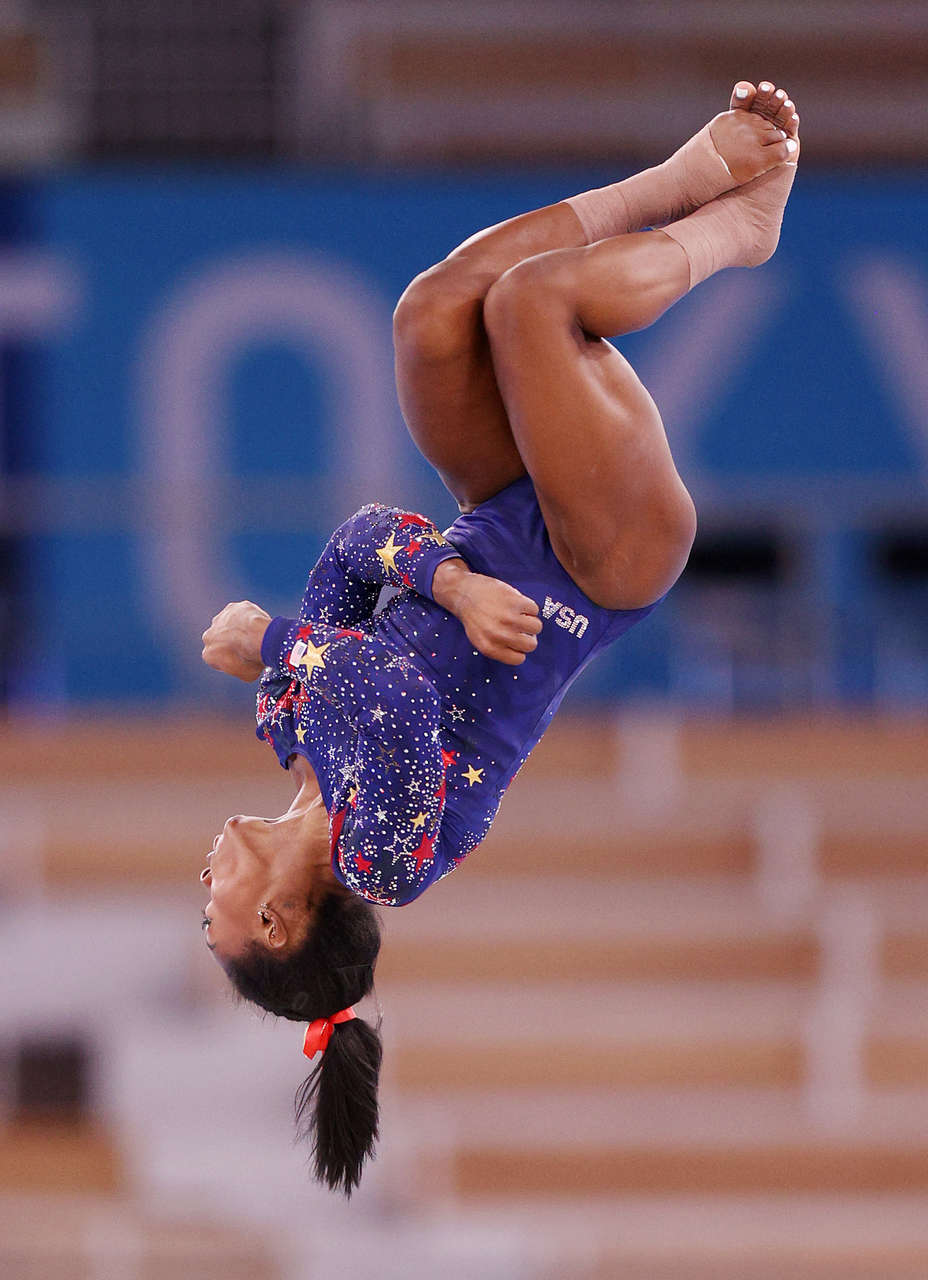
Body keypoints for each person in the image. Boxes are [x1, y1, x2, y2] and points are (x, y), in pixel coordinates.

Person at [199, 80, 800, 1194]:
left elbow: (357, 540)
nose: (205, 893)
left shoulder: (286, 729)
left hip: (503, 507)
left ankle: (671, 183)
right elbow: (383, 690)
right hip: (595, 566)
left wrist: (445, 579)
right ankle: (729, 225)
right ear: (279, 922)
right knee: (531, 305)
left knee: (428, 317)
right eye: (214, 920)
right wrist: (279, 640)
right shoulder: (383, 855)